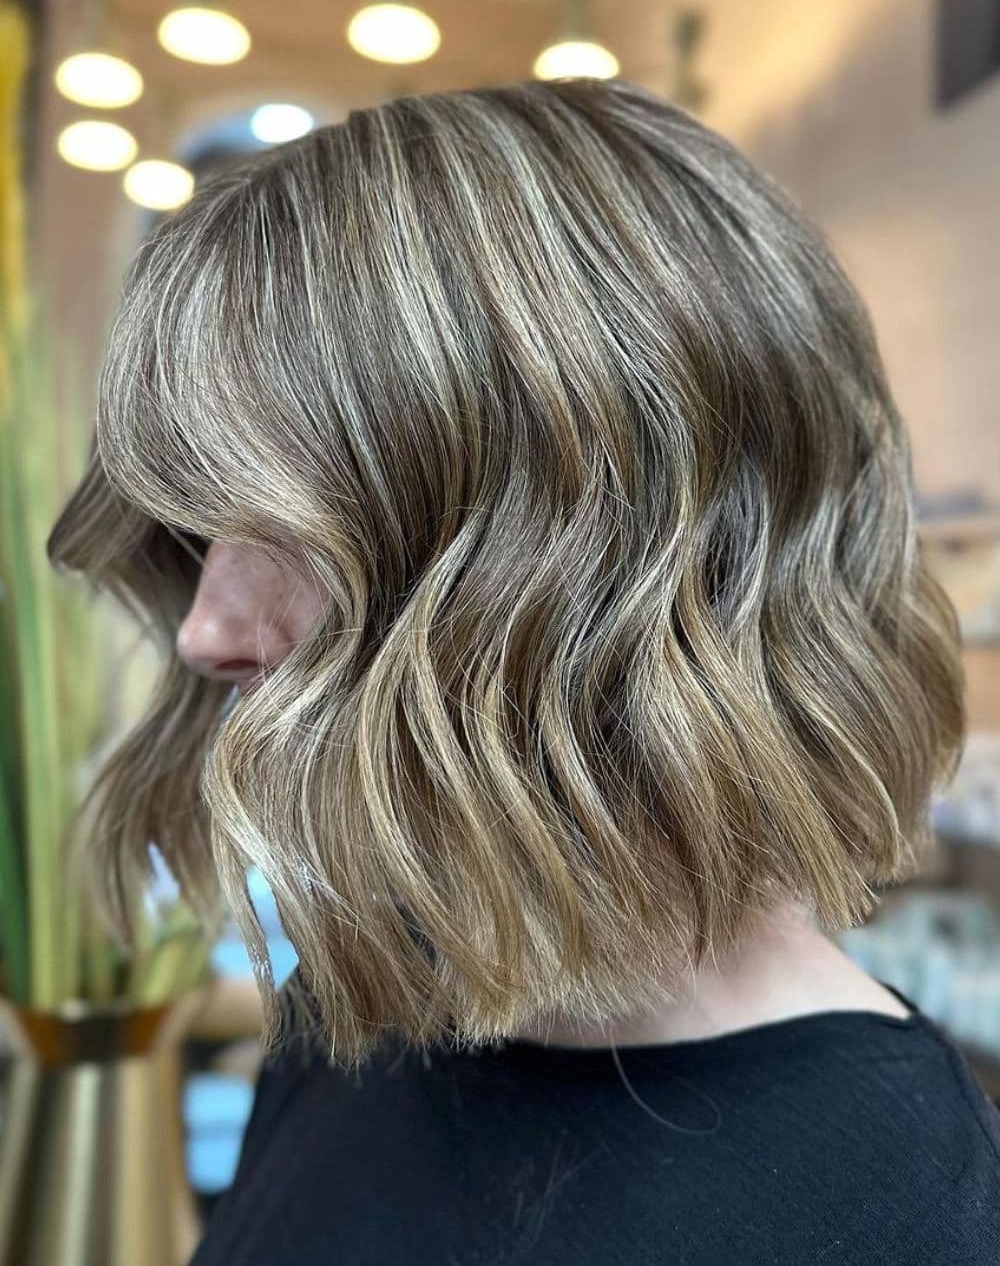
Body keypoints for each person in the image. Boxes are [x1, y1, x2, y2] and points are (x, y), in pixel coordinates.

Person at [48, 79, 1000, 1263]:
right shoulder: (366, 998)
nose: (203, 628)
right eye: (204, 531)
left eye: (287, 523)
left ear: (590, 558)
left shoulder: (897, 1213)